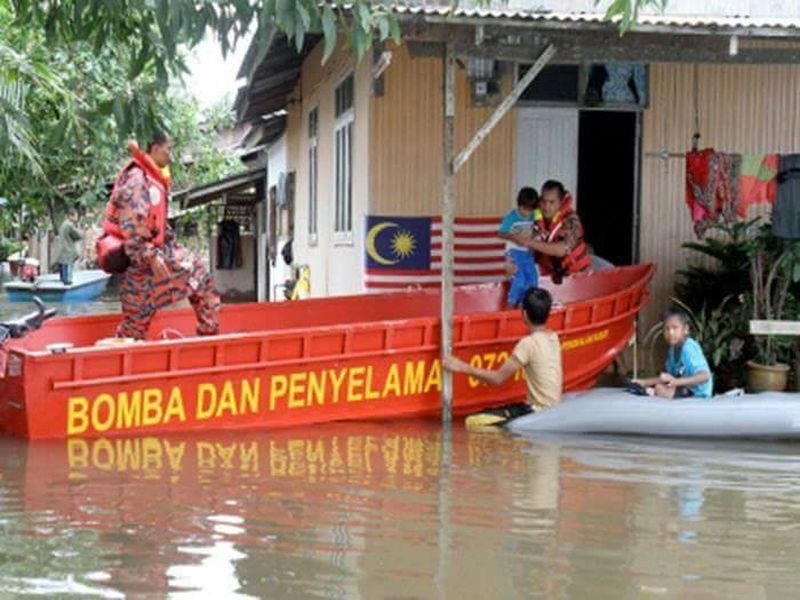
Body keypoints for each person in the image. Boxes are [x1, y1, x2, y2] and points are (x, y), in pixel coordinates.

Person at [101, 132, 220, 340]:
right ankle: (115, 363)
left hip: (156, 258)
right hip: (142, 264)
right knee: (134, 329)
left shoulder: (150, 176)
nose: (170, 155)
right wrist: (151, 254)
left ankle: (208, 339)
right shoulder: (138, 178)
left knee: (202, 282)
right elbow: (131, 222)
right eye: (168, 149)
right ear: (155, 149)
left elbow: (155, 225)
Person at [444, 287, 562, 425]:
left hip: (538, 412)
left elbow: (497, 378)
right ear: (548, 313)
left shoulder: (528, 344)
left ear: (524, 314)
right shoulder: (553, 337)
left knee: (473, 421)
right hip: (553, 408)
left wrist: (461, 366)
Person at [519, 180, 591, 284]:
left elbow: (561, 249)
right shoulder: (536, 217)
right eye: (544, 201)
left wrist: (530, 242)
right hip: (552, 274)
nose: (546, 207)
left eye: (552, 202)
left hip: (577, 276)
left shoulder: (571, 220)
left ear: (561, 202)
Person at [633, 307, 713, 399]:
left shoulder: (689, 347)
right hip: (683, 388)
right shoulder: (672, 350)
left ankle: (652, 392)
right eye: (667, 329)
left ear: (685, 329)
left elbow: (704, 376)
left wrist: (676, 382)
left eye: (675, 328)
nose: (670, 332)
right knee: (660, 386)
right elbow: (667, 378)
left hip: (698, 393)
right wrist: (644, 382)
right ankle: (651, 391)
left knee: (660, 389)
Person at [498, 187, 539, 306]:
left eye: (531, 210)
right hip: (514, 253)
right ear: (519, 205)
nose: (528, 213)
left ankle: (524, 304)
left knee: (533, 279)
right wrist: (514, 237)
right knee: (519, 280)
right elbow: (500, 233)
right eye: (525, 209)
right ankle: (510, 303)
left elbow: (536, 228)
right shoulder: (511, 217)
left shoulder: (534, 215)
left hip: (528, 253)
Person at [50, 208, 83, 285]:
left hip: (63, 251)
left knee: (62, 268)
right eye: (76, 216)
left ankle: (63, 282)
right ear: (71, 216)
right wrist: (80, 230)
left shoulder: (64, 224)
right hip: (68, 251)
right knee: (68, 271)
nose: (77, 218)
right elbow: (78, 235)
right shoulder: (69, 225)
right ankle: (67, 282)